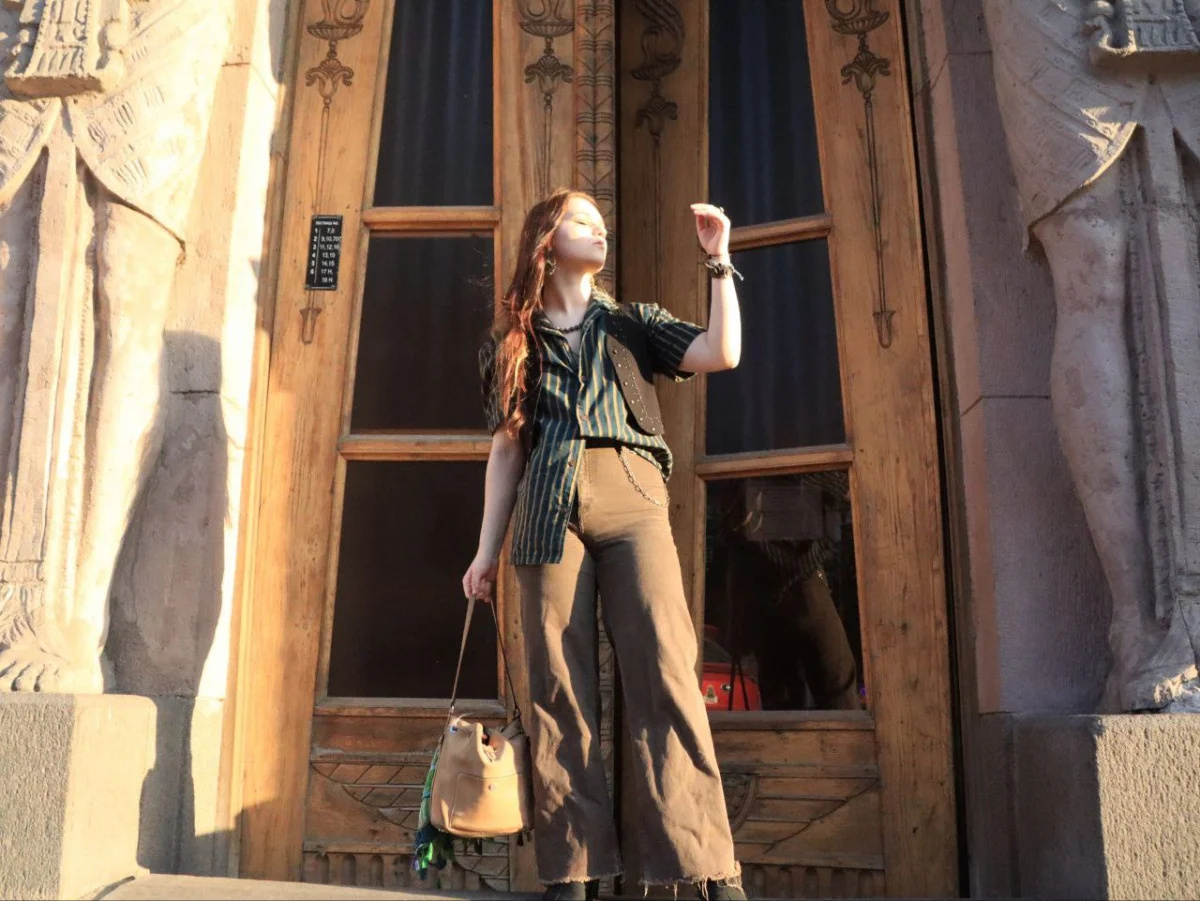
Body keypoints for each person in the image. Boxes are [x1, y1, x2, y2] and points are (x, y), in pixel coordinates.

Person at [462, 189, 746, 900]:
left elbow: (722, 352)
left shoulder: (631, 322)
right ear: (547, 240)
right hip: (546, 506)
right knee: (557, 688)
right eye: (582, 221)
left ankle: (708, 866)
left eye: (601, 223)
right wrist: (485, 551)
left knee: (666, 669)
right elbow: (506, 451)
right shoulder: (513, 343)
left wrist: (719, 262)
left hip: (631, 492)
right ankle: (574, 872)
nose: (600, 231)